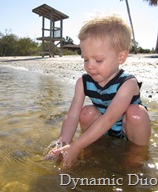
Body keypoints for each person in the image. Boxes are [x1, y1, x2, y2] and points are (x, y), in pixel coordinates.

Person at [47, 15, 151, 168]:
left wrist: (76, 145)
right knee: (85, 112)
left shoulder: (127, 83)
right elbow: (72, 115)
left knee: (137, 113)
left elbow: (109, 118)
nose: (89, 66)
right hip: (103, 130)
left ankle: (138, 154)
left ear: (120, 57)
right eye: (85, 59)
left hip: (126, 129)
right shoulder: (83, 82)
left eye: (98, 60)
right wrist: (62, 144)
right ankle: (92, 146)